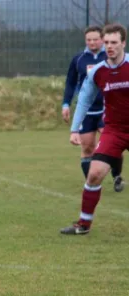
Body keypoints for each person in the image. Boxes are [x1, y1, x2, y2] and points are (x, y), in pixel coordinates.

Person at [61, 23, 129, 235]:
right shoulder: (98, 72)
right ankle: (84, 224)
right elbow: (83, 100)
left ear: (123, 44)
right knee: (95, 174)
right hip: (114, 130)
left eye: (114, 43)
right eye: (106, 42)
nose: (109, 46)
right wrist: (74, 129)